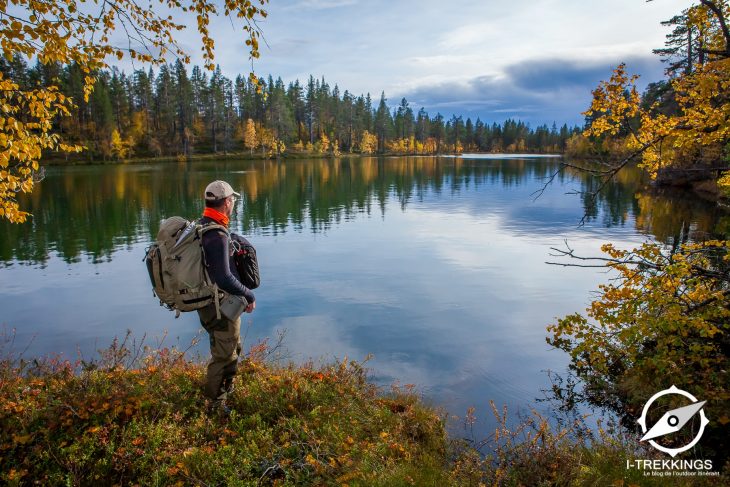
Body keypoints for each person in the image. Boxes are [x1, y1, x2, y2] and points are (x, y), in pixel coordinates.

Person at [197, 180, 256, 414]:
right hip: (218, 306)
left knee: (230, 348)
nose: (233, 204)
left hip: (212, 304)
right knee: (224, 355)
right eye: (232, 200)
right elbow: (223, 277)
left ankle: (223, 395)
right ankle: (215, 405)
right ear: (227, 202)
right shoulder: (216, 235)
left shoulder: (203, 225)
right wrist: (248, 294)